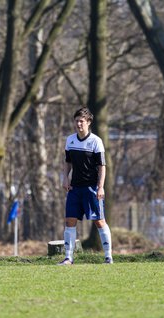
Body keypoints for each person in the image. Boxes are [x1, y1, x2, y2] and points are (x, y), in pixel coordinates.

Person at [59, 107, 113, 265]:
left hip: (91, 188)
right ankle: (68, 257)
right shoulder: (70, 140)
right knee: (69, 220)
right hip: (75, 188)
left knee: (99, 221)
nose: (78, 124)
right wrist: (65, 178)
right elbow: (68, 162)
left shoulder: (96, 141)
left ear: (88, 122)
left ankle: (108, 256)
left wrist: (101, 187)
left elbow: (102, 166)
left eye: (81, 121)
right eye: (76, 121)